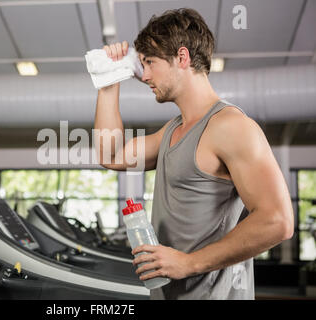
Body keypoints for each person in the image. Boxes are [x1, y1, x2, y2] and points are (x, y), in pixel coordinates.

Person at [93, 8, 294, 299]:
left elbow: (278, 220)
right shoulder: (173, 130)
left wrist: (188, 263)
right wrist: (108, 83)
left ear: (182, 57)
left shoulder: (230, 126)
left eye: (149, 62)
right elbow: (110, 155)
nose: (144, 75)